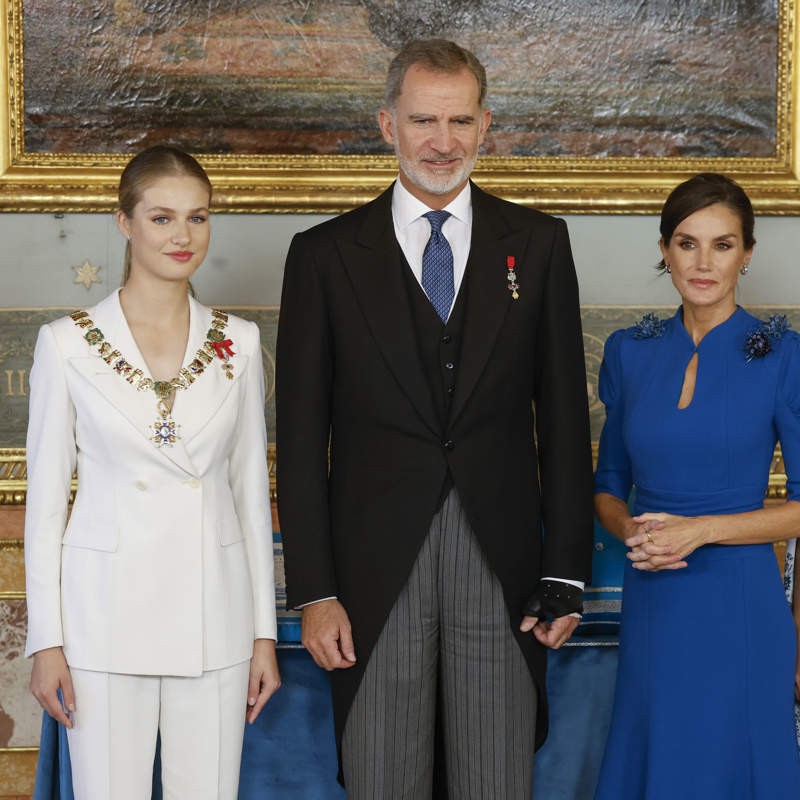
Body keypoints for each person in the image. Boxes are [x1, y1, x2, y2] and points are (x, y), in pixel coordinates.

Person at [276, 39, 593, 797]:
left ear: (487, 125)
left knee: (495, 777)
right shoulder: (322, 256)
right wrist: (314, 590)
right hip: (372, 575)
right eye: (424, 120)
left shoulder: (541, 244)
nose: (441, 141)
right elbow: (298, 437)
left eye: (459, 120)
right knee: (384, 775)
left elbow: (565, 419)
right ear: (388, 124)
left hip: (506, 567)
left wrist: (565, 574)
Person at [25, 145, 280, 799]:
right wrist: (46, 642)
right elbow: (47, 508)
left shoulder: (240, 343)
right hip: (104, 617)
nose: (182, 236)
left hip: (215, 617)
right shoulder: (66, 343)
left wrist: (261, 635)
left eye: (198, 218)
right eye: (162, 218)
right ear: (124, 222)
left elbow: (251, 496)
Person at [594, 172, 800, 799]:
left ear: (747, 253)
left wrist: (703, 531)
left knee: (733, 763)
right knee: (658, 757)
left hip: (742, 603)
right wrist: (629, 527)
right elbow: (607, 482)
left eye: (723, 244)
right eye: (687, 243)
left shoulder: (785, 356)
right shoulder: (628, 352)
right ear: (665, 249)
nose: (703, 262)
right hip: (656, 595)